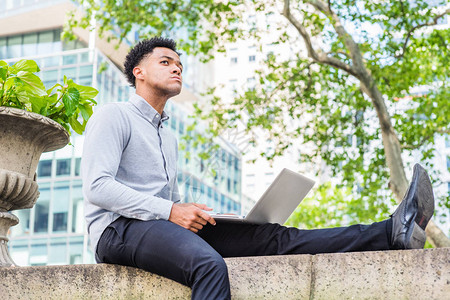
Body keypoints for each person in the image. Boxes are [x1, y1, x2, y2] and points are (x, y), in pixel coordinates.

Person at [81, 37, 435, 300]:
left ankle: (389, 232)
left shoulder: (167, 137)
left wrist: (219, 220)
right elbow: (98, 187)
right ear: (138, 72)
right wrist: (171, 211)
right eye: (166, 62)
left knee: (275, 236)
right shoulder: (114, 115)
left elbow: (171, 204)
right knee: (208, 265)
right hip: (118, 230)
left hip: (157, 226)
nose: (177, 68)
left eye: (180, 65)